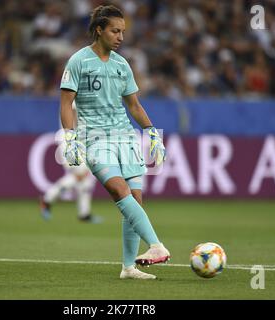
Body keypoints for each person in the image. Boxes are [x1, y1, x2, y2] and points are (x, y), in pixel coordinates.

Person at [59, 5, 170, 280]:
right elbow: (66, 103)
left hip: (125, 137)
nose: (120, 37)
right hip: (95, 138)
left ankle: (128, 267)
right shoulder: (78, 61)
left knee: (135, 199)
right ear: (99, 30)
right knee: (119, 190)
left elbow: (133, 105)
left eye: (123, 31)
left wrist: (151, 132)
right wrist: (70, 137)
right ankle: (155, 245)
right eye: (115, 31)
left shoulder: (122, 64)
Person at [40, 102, 102, 224]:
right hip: (72, 142)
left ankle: (84, 214)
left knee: (86, 181)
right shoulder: (73, 97)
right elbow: (73, 120)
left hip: (75, 142)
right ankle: (47, 199)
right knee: (81, 176)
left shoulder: (74, 96)